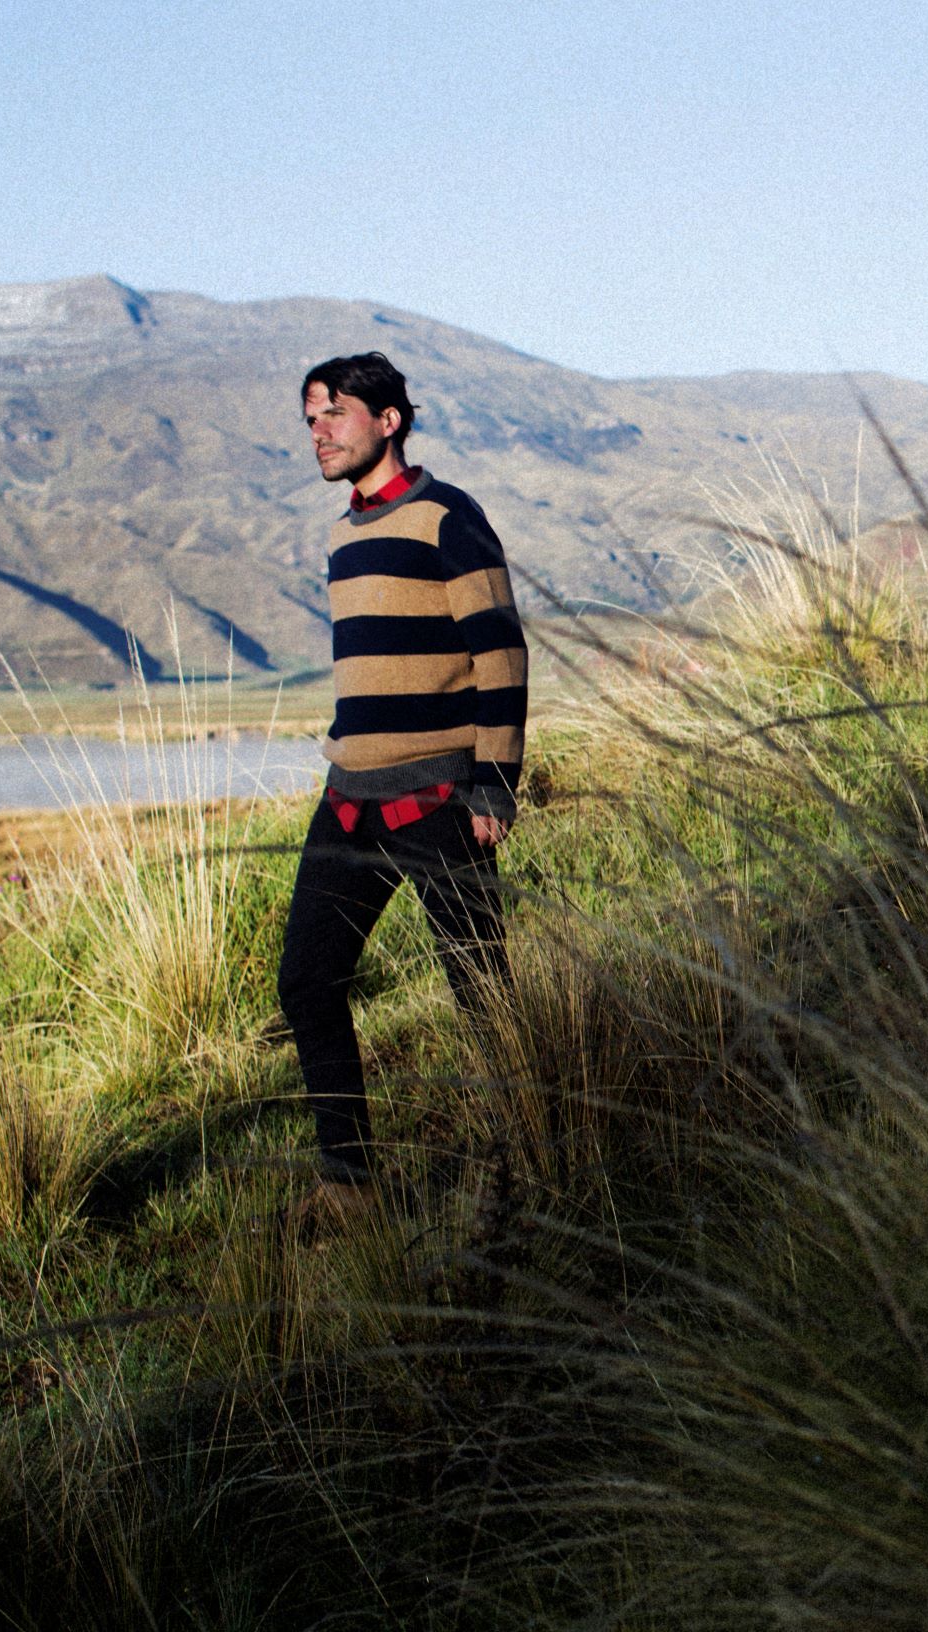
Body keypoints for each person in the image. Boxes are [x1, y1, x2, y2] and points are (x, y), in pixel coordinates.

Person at [276, 351, 527, 1225]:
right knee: (308, 981)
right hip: (350, 800)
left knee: (479, 990)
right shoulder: (343, 536)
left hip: (442, 801)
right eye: (309, 420)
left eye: (333, 415)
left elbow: (499, 650)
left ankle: (516, 1169)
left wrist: (495, 784)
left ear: (389, 420)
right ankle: (348, 1185)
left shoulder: (448, 518)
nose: (318, 433)